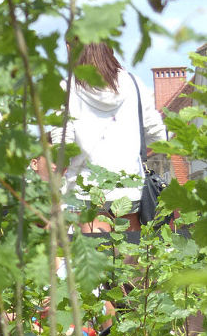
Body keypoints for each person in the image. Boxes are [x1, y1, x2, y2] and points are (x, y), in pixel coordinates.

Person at [56, 43, 167, 230]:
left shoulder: (66, 87)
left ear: (70, 46)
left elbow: (62, 147)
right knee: (129, 255)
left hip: (87, 191)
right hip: (130, 189)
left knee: (96, 256)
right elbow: (159, 137)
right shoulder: (133, 83)